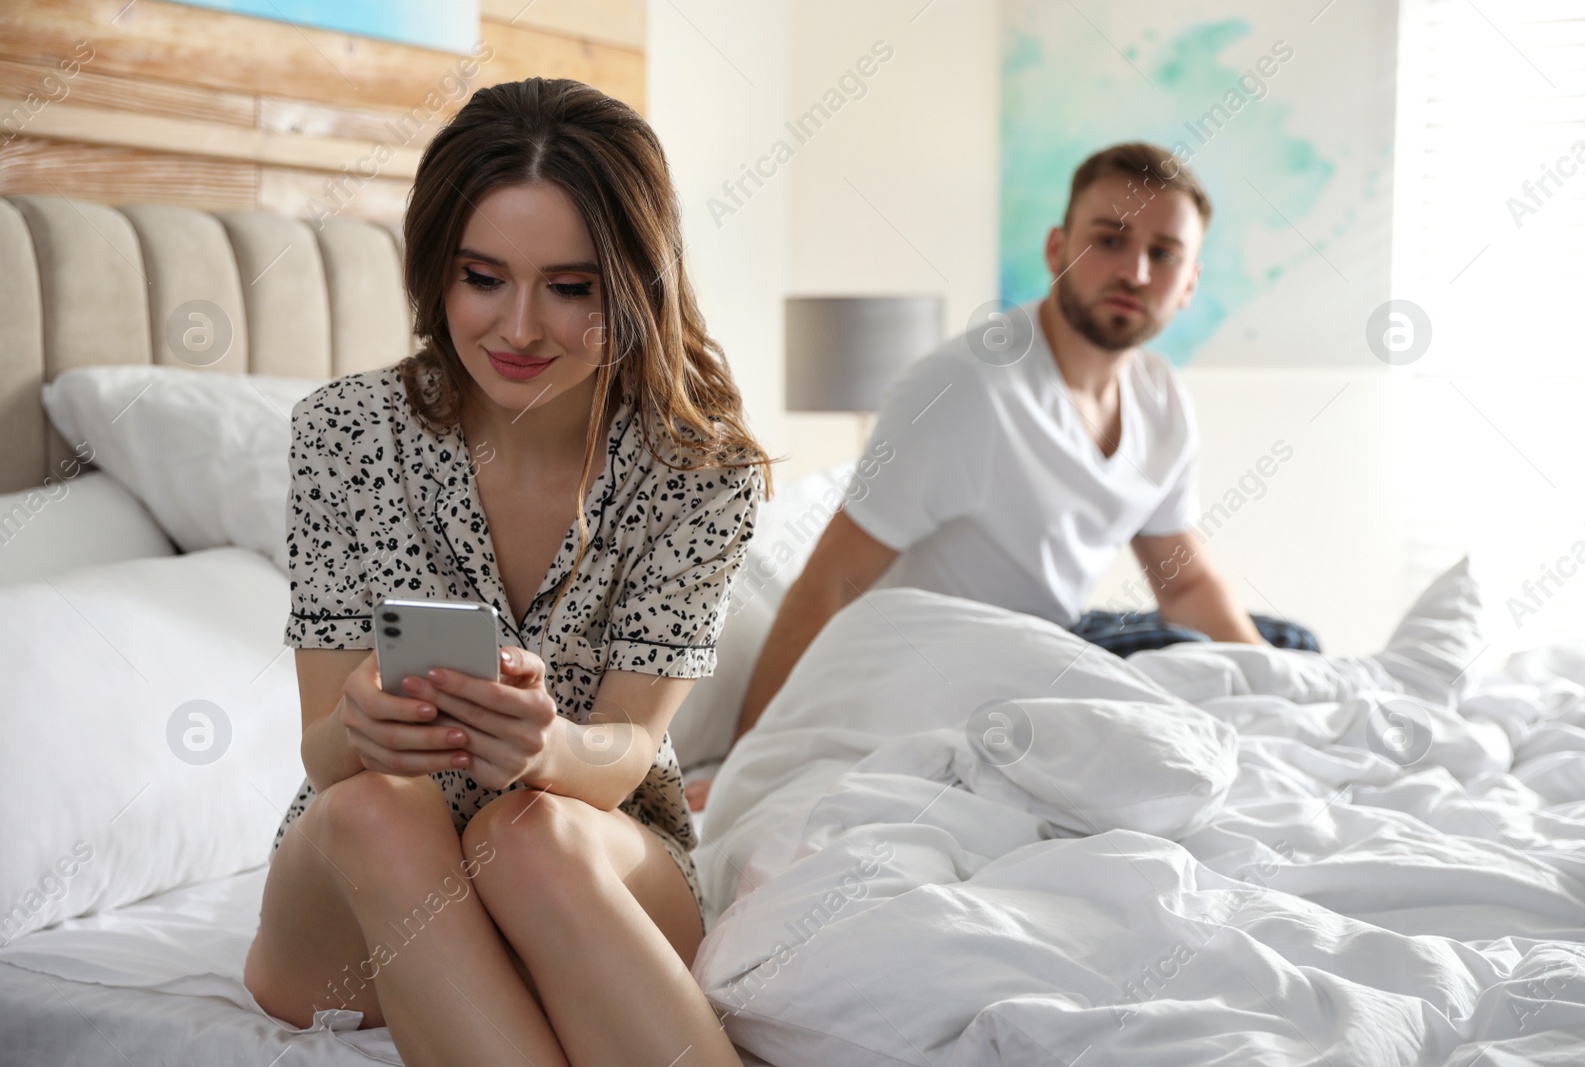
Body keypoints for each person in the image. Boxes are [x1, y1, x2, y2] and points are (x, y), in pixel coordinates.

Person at [243, 77, 767, 1067]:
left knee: (529, 833)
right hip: (359, 892)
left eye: (570, 288)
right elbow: (323, 760)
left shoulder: (702, 472)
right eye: (483, 277)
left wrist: (548, 748)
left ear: (633, 285)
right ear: (438, 271)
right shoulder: (344, 436)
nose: (520, 328)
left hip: (585, 850)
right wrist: (359, 723)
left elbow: (625, 757)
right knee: (371, 800)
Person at [687, 142, 1315, 813]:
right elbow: (832, 579)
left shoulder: (1161, 401)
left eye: (1163, 253)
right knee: (1202, 672)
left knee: (1291, 650)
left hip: (1052, 640)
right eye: (1110, 238)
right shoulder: (966, 389)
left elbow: (1184, 578)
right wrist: (743, 762)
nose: (1134, 269)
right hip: (958, 669)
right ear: (1056, 249)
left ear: (1188, 283)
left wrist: (1278, 691)